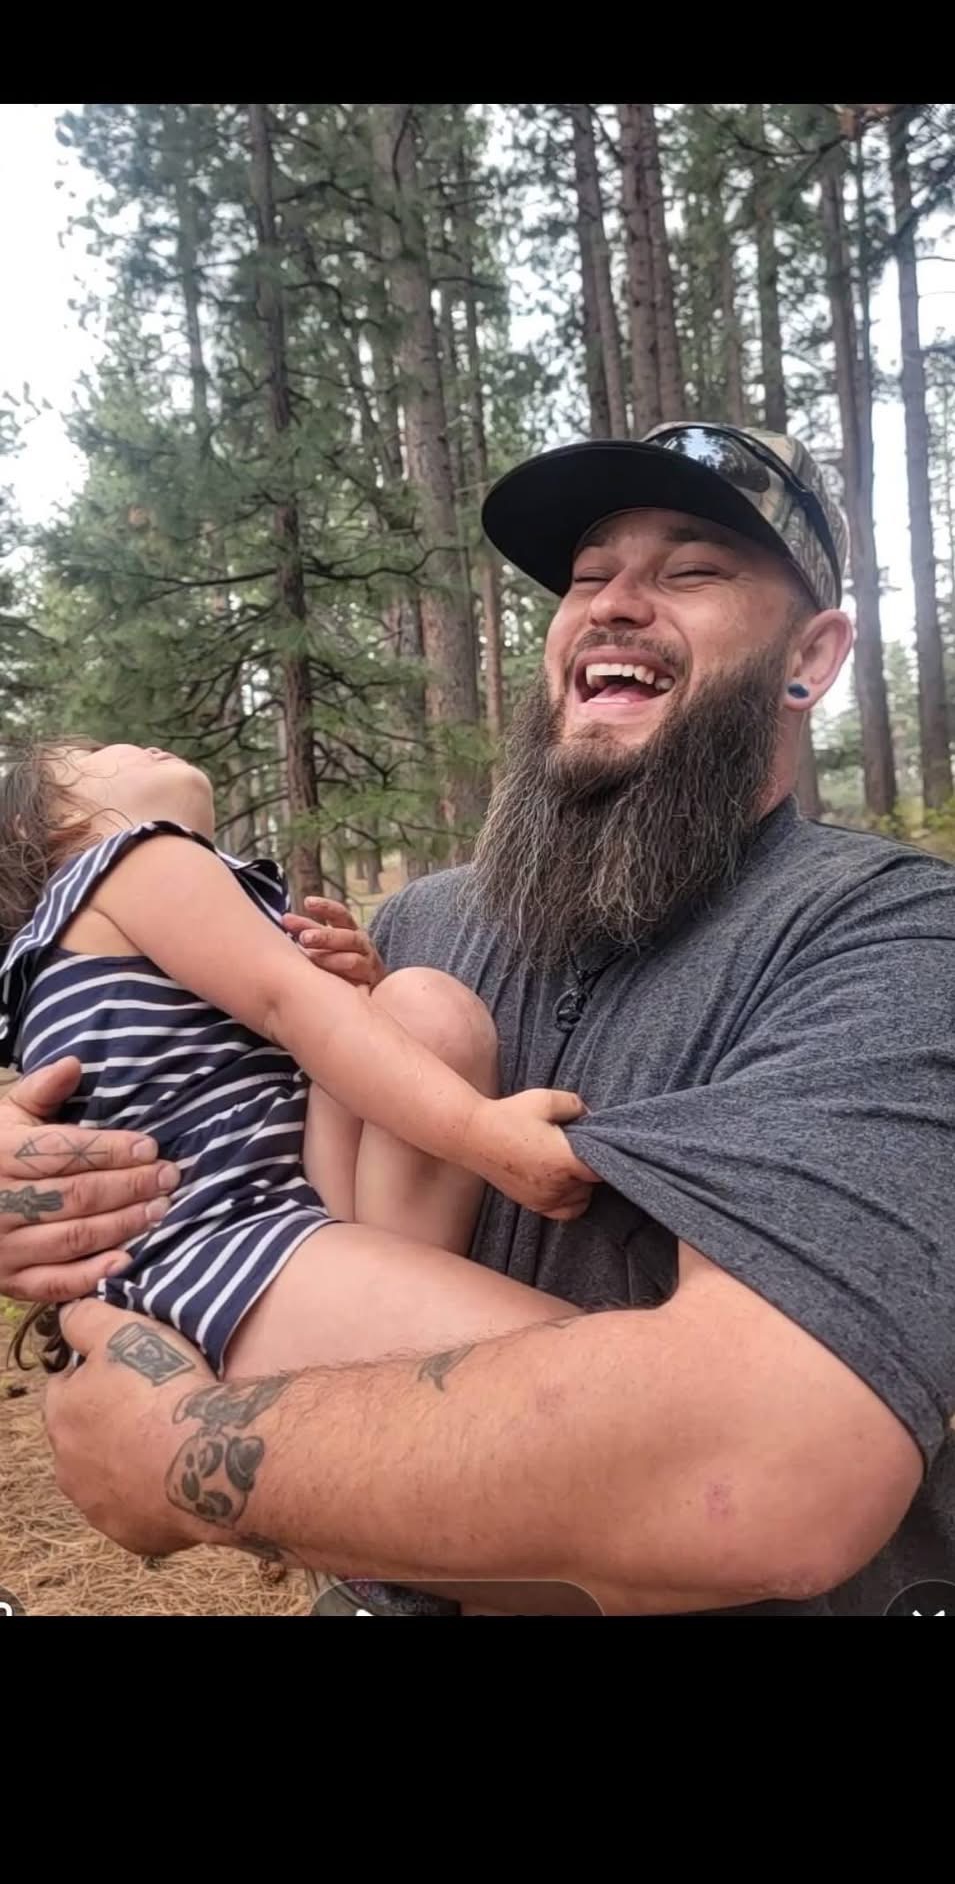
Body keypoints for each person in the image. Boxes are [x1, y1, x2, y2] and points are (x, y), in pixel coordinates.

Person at [8, 420, 955, 1616]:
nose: (613, 603)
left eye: (691, 568)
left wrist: (186, 1447)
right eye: (587, 576)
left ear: (807, 657)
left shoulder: (890, 939)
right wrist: (42, 1161)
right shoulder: (418, 926)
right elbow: (210, 1115)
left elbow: (765, 1469)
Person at [0, 739, 598, 1383]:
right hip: (218, 1244)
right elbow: (285, 1001)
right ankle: (396, 1353)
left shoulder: (58, 956)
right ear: (47, 825)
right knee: (594, 1375)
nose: (143, 742)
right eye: (92, 749)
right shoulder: (130, 859)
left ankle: (389, 1350)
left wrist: (358, 995)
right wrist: (485, 1132)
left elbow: (283, 1039)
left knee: (423, 1009)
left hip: (269, 1212)